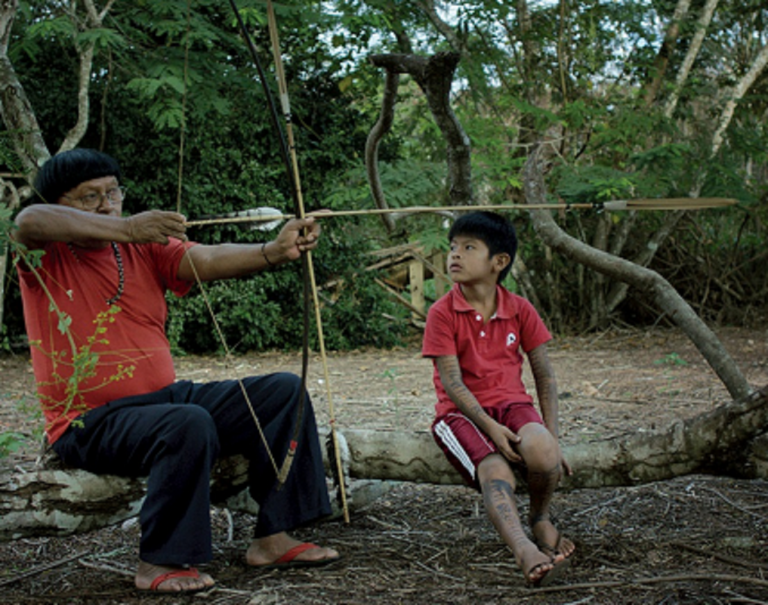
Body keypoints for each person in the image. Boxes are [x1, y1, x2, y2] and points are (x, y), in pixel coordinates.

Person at [12, 148, 339, 594]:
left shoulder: (139, 248)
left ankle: (273, 537)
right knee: (187, 423)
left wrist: (273, 251)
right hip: (89, 422)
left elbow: (203, 259)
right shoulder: (44, 255)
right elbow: (28, 221)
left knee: (283, 393)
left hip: (163, 401)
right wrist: (126, 227)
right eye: (90, 197)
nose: (108, 205)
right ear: (60, 204)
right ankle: (159, 561)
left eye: (113, 193)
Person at [422, 211, 575, 587]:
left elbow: (545, 375)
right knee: (496, 471)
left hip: (512, 405)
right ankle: (523, 548)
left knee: (541, 448)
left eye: (468, 247)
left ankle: (540, 518)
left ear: (499, 262)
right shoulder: (442, 312)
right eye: (452, 246)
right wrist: (490, 427)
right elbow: (453, 384)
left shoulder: (520, 308)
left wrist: (552, 436)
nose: (454, 254)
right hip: (460, 414)